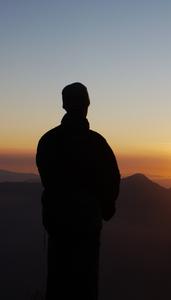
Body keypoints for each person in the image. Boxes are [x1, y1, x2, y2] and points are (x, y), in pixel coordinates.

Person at [36, 82, 120, 300]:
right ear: (88, 104)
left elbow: (48, 180)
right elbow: (112, 178)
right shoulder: (97, 144)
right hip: (87, 225)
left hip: (58, 224)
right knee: (86, 284)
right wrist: (106, 207)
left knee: (58, 281)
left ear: (64, 105)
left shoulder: (48, 141)